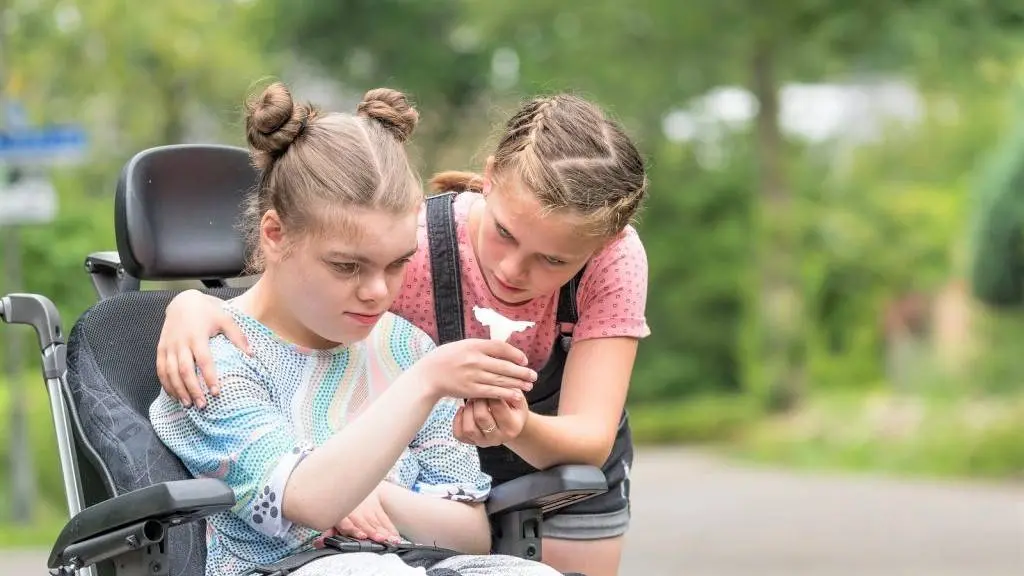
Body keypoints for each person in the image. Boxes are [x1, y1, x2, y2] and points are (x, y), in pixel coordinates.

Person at [156, 91, 650, 576]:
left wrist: (377, 492)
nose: (376, 291)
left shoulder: (406, 346)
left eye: (396, 265)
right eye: (348, 267)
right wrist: (428, 380)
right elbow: (305, 500)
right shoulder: (214, 360)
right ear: (275, 235)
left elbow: (472, 537)